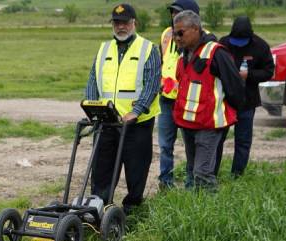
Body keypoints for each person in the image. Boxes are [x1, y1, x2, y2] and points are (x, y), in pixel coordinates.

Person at [84, 3, 161, 213]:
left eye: (125, 22)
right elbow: (93, 80)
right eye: (117, 23)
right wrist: (92, 107)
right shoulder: (103, 49)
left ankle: (131, 211)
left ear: (134, 23)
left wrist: (136, 112)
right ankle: (98, 210)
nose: (121, 27)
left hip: (137, 124)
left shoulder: (148, 49)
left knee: (136, 171)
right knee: (101, 169)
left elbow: (152, 84)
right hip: (107, 121)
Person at [172, 10, 244, 190]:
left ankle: (212, 213)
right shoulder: (184, 54)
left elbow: (235, 87)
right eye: (175, 33)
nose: (177, 37)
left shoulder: (216, 52)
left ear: (195, 29)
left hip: (209, 125)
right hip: (188, 124)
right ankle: (195, 211)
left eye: (181, 33)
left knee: (202, 174)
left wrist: (228, 113)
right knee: (191, 170)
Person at [214, 16, 274, 177]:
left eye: (242, 41)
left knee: (243, 141)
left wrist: (250, 75)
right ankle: (211, 172)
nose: (238, 44)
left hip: (247, 102)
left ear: (250, 36)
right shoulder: (223, 43)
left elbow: (269, 71)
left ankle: (237, 174)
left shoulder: (260, 46)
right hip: (224, 102)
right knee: (217, 139)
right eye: (236, 40)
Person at [158, 0, 203, 189]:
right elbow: (163, 59)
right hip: (167, 99)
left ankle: (190, 184)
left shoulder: (202, 38)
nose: (173, 17)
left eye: (178, 13)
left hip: (188, 101)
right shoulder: (167, 34)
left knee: (190, 146)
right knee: (165, 145)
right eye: (172, 13)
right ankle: (165, 183)